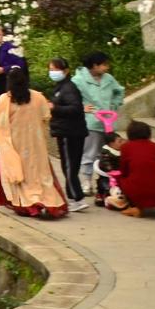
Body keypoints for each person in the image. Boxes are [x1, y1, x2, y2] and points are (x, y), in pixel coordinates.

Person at [0, 66, 69, 219]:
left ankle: (30, 203)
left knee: (20, 173)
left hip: (15, 143)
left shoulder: (5, 100)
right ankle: (47, 201)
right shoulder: (38, 97)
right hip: (36, 143)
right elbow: (46, 116)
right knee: (40, 174)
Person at [74, 50, 125, 197]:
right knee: (90, 153)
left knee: (111, 154)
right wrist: (81, 107)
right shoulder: (79, 80)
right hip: (91, 123)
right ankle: (87, 182)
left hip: (108, 122)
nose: (106, 68)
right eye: (104, 65)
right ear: (94, 66)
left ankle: (110, 182)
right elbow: (71, 98)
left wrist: (114, 105)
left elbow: (119, 91)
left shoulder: (108, 79)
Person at [47, 58, 91, 209]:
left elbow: (75, 108)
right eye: (50, 70)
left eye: (54, 70)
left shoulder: (68, 88)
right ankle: (74, 196)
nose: (52, 73)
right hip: (70, 130)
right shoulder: (61, 87)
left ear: (65, 71)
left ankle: (76, 198)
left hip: (69, 132)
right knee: (71, 165)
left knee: (69, 166)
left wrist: (54, 108)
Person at [118, 121, 155, 217]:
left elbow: (124, 171)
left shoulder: (126, 147)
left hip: (137, 189)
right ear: (148, 134)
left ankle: (137, 207)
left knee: (120, 178)